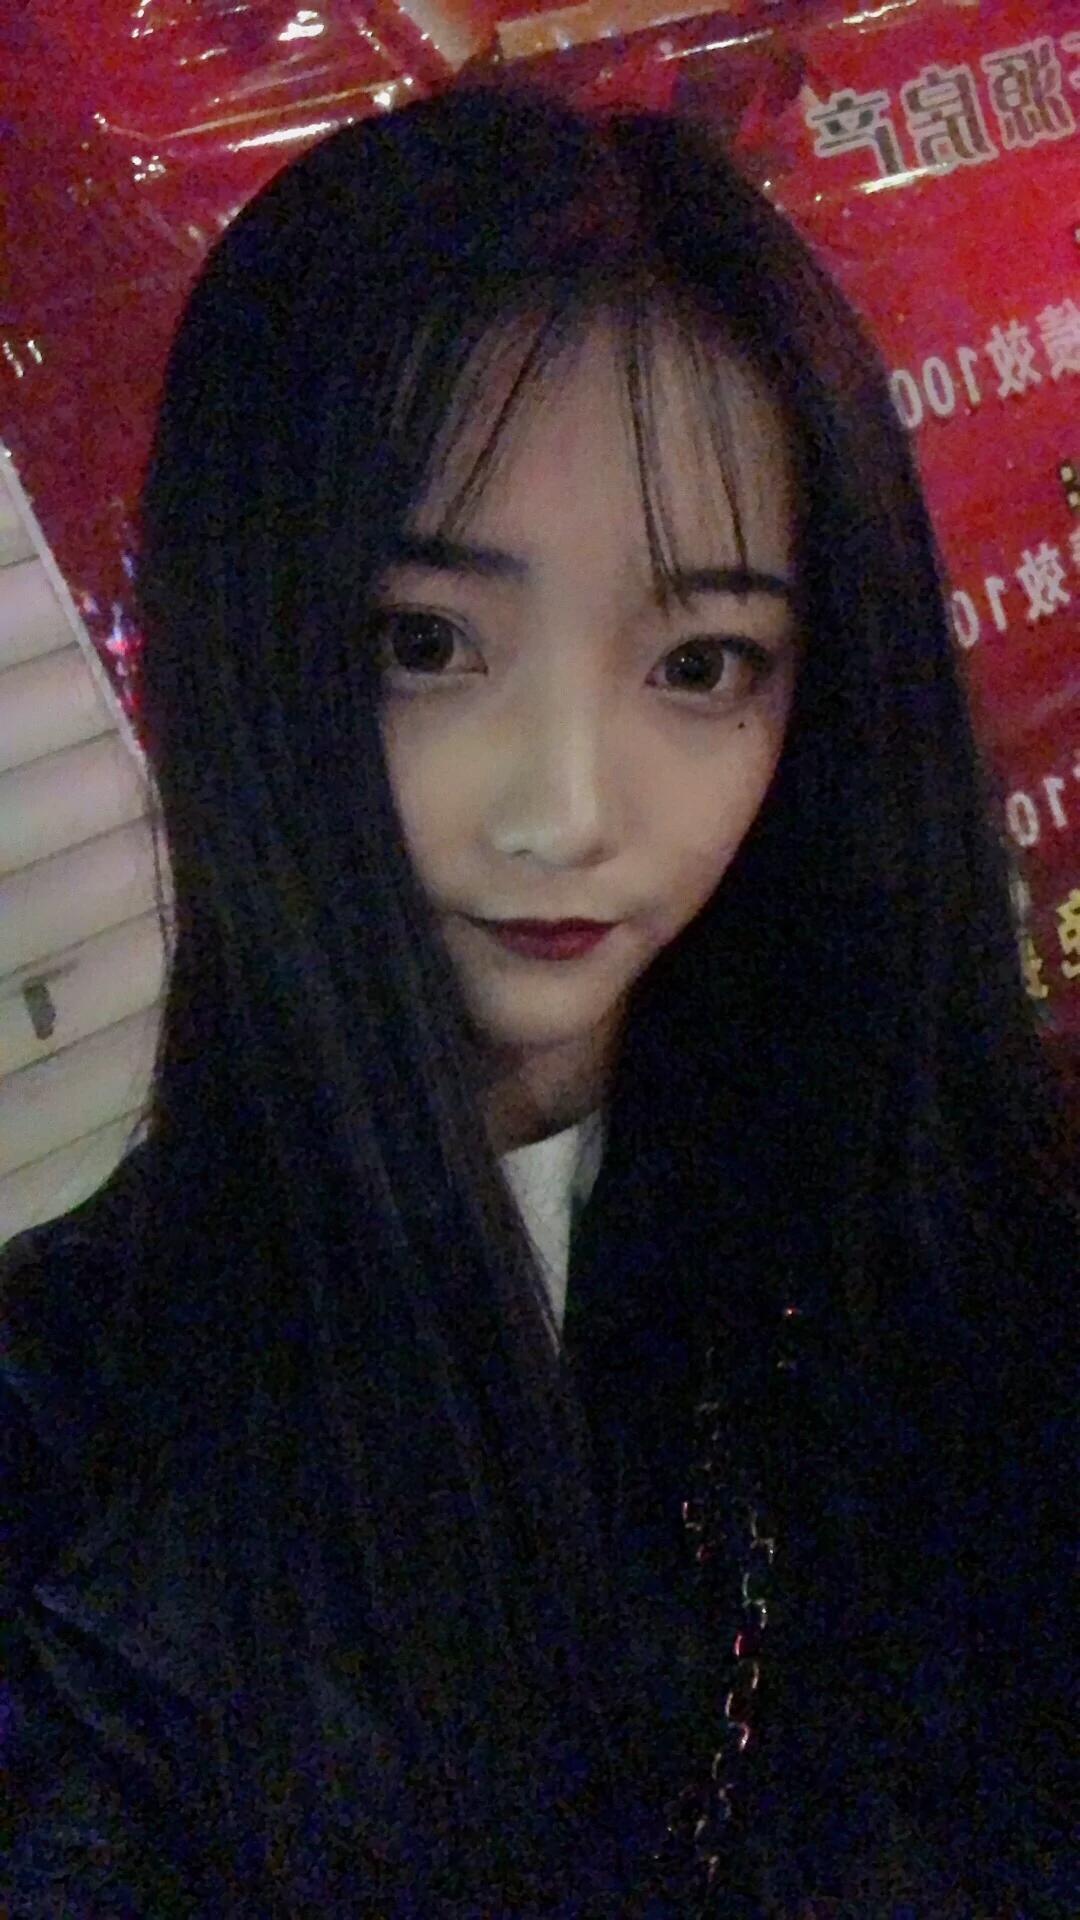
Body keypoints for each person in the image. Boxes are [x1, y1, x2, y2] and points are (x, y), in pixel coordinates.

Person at [2, 78, 1076, 1919]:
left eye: (700, 662)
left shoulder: (957, 1255)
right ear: (247, 631)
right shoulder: (60, 1447)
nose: (566, 812)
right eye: (427, 643)